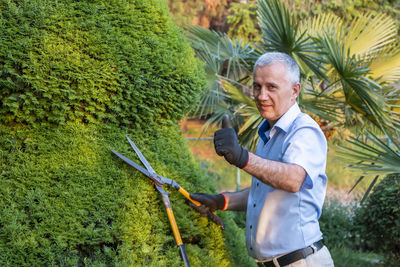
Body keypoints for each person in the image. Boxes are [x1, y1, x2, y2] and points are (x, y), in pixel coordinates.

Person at [190, 52, 335, 267]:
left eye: (271, 87)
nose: (261, 95)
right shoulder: (269, 133)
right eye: (257, 86)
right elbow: (265, 193)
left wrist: (242, 157)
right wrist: (221, 201)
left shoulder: (304, 130)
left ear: (295, 90)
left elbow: (293, 179)